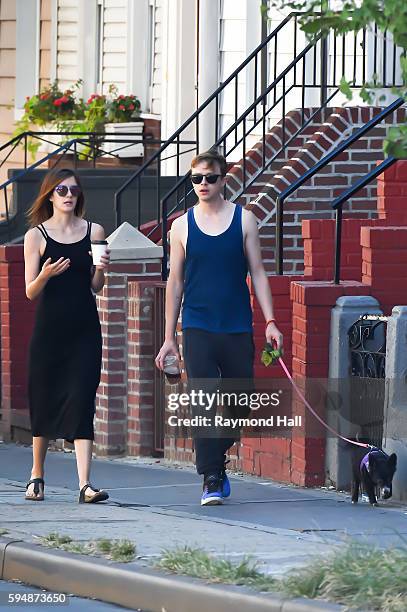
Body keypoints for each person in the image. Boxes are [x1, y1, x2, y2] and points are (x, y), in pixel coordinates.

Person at [155, 149, 283, 506]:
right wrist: (169, 338)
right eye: (196, 179)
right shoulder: (181, 226)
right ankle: (211, 477)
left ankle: (214, 457)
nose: (203, 184)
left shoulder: (245, 220)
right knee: (204, 401)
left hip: (237, 324)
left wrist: (271, 321)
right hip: (197, 326)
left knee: (240, 402)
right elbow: (175, 282)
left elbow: (257, 272)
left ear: (223, 180)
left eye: (210, 178)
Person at [24, 167, 110, 504]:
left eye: (73, 189)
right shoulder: (37, 236)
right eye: (61, 190)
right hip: (49, 329)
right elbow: (30, 291)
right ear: (49, 195)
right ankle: (36, 475)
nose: (68, 195)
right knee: (44, 397)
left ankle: (85, 483)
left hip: (84, 328)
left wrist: (101, 266)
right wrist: (44, 274)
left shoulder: (94, 230)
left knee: (82, 397)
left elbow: (96, 286)